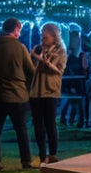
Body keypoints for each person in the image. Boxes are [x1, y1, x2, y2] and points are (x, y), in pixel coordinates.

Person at [0, 18, 35, 171]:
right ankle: (26, 161)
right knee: (21, 129)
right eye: (20, 29)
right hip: (16, 94)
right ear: (16, 28)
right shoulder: (20, 47)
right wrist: (30, 92)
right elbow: (31, 72)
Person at [29, 23, 67, 165]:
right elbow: (32, 69)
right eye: (42, 35)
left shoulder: (60, 51)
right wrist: (33, 58)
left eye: (46, 35)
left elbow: (58, 70)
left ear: (54, 36)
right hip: (36, 91)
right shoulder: (40, 49)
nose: (43, 38)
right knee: (38, 124)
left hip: (50, 90)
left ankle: (52, 154)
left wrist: (41, 60)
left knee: (50, 123)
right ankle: (41, 154)